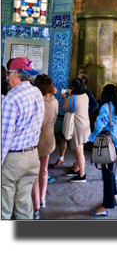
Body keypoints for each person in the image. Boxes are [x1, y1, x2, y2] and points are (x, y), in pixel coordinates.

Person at [1, 57, 45, 220]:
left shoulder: (11, 98)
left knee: (3, 207)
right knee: (24, 204)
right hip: (33, 158)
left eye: (9, 74)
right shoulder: (37, 93)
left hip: (13, 160)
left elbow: (4, 139)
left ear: (16, 75)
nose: (7, 77)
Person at [89, 84, 117, 216]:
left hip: (108, 145)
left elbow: (100, 124)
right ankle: (114, 196)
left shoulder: (106, 107)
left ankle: (107, 205)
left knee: (107, 175)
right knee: (111, 171)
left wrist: (91, 137)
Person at [53, 71, 99, 169]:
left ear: (83, 81)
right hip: (71, 122)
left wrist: (84, 112)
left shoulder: (86, 93)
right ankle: (63, 159)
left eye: (78, 78)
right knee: (66, 139)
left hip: (77, 123)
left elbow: (95, 104)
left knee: (78, 147)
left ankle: (78, 167)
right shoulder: (75, 93)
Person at [31, 74, 58, 219]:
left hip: (34, 140)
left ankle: (35, 208)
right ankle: (42, 199)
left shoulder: (35, 100)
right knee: (44, 170)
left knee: (34, 174)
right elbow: (54, 118)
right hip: (48, 138)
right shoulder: (54, 101)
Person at [61, 77, 91, 182]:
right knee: (80, 149)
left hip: (77, 126)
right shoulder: (85, 96)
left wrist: (65, 97)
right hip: (85, 125)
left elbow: (64, 108)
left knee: (78, 151)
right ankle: (77, 169)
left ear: (73, 87)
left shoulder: (72, 98)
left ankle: (82, 175)